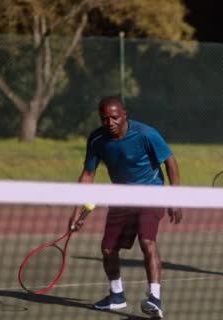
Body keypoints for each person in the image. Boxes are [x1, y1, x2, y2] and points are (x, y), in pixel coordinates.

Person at [68, 96, 181, 319]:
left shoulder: (146, 134)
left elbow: (171, 162)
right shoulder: (97, 139)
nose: (110, 122)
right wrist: (77, 211)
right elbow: (88, 174)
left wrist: (174, 197)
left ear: (125, 114)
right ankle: (117, 296)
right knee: (108, 249)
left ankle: (155, 298)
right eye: (104, 118)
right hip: (121, 197)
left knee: (147, 241)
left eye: (114, 117)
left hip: (151, 195)